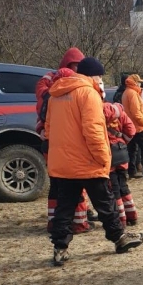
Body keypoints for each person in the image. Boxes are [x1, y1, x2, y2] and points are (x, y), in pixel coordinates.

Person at [45, 57, 143, 266]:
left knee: (64, 207)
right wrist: (102, 158)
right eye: (99, 75)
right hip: (88, 162)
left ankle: (60, 248)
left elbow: (49, 128)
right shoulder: (88, 93)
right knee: (105, 204)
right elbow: (93, 130)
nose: (100, 79)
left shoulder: (56, 94)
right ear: (93, 75)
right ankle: (119, 238)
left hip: (63, 164)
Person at [35, 47, 96, 234]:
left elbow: (42, 111)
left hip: (52, 142)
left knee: (58, 185)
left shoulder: (48, 85)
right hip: (71, 143)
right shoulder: (78, 88)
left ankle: (57, 221)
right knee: (76, 183)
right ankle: (78, 222)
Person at [103, 101, 139, 226]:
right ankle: (132, 215)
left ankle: (121, 219)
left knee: (114, 189)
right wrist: (122, 141)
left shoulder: (96, 112)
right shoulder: (119, 111)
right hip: (122, 152)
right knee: (123, 185)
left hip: (108, 154)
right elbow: (131, 130)